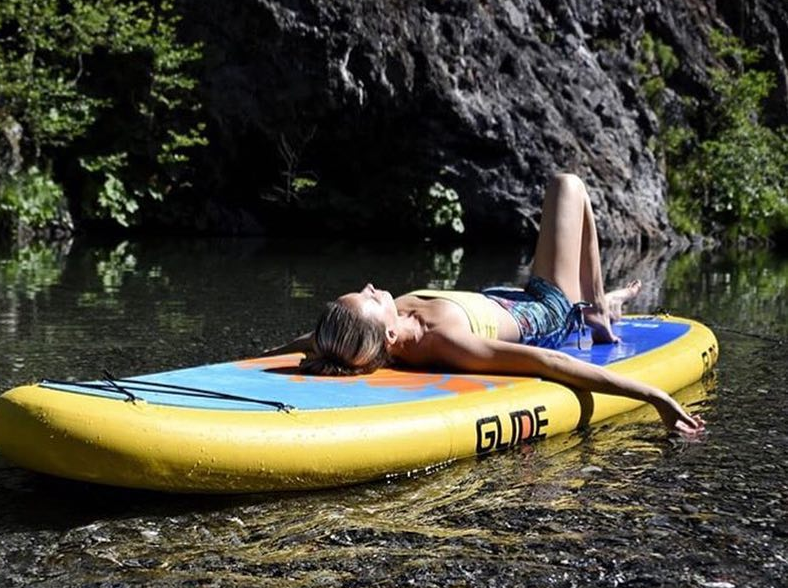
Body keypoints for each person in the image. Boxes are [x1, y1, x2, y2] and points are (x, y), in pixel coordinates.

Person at [271, 173, 706, 439]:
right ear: (385, 336)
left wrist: (266, 357)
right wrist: (655, 397)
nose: (369, 286)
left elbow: (317, 342)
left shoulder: (355, 337)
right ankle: (593, 308)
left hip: (502, 298)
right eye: (368, 297)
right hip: (543, 311)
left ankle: (597, 302)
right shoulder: (446, 343)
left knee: (566, 193)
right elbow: (551, 362)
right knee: (568, 186)